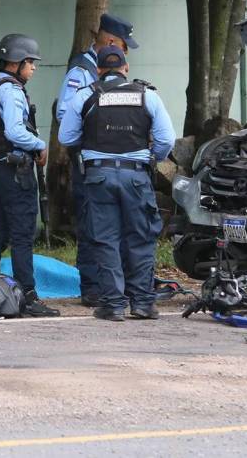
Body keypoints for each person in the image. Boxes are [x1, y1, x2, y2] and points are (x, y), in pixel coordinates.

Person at [58, 45, 176, 322]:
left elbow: (66, 138)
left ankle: (112, 305)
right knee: (141, 237)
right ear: (125, 68)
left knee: (105, 239)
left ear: (97, 70)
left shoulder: (84, 96)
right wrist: (151, 158)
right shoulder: (148, 96)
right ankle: (143, 303)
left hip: (98, 177)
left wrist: (91, 146)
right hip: (136, 176)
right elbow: (166, 140)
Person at [55, 13, 139, 307]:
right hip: (90, 160)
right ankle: (92, 287)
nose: (125, 53)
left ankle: (111, 285)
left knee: (111, 225)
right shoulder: (82, 71)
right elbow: (65, 115)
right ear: (111, 41)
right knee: (93, 223)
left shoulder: (100, 73)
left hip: (108, 161)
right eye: (124, 46)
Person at [0, 33, 60, 317]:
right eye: (30, 63)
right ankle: (28, 298)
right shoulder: (10, 90)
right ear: (17, 62)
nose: (33, 68)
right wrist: (39, 144)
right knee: (22, 236)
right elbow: (14, 131)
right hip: (16, 174)